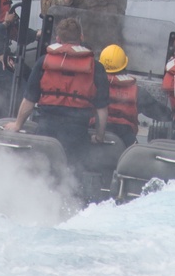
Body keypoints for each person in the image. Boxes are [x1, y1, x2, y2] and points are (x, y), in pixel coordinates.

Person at [11, 16, 109, 165]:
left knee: (42, 173)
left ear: (57, 39)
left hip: (46, 130)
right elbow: (102, 109)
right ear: (81, 37)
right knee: (72, 180)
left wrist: (17, 125)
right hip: (77, 135)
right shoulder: (96, 67)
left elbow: (29, 101)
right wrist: (99, 136)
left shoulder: (43, 62)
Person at [99, 43, 138, 146]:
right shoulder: (136, 91)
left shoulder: (92, 85)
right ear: (124, 66)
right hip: (125, 137)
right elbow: (159, 113)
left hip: (95, 132)